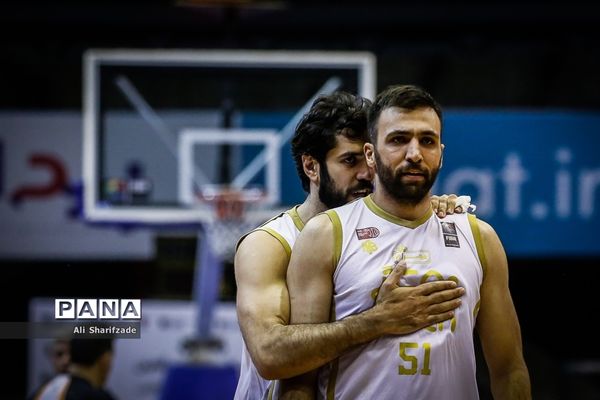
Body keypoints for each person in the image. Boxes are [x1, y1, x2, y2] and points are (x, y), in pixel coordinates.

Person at [281, 84, 531, 399]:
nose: (414, 154)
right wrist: (374, 322)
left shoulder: (480, 237)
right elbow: (298, 376)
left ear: (441, 153)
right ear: (370, 154)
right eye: (399, 140)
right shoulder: (324, 234)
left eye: (427, 141)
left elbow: (509, 369)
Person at [234, 91, 470, 399]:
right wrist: (376, 322)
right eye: (349, 161)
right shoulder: (269, 244)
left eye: (368, 158)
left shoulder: (384, 233)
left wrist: (429, 208)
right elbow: (269, 353)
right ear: (311, 167)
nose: (366, 173)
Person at [29, 336, 117, 400]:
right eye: (59, 354)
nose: (64, 361)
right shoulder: (97, 397)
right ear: (105, 359)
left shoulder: (41, 392)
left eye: (66, 353)